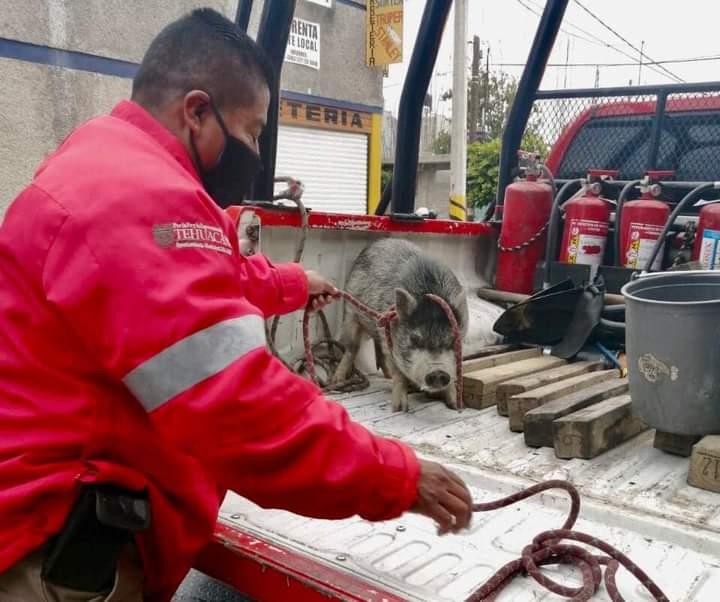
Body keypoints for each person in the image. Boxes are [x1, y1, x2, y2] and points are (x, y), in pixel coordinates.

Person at [0, 8, 473, 602]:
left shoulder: (105, 168)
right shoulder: (138, 197)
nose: (254, 150)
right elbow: (239, 407)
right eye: (251, 132)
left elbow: (191, 289)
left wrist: (292, 283)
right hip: (55, 559)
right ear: (197, 110)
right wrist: (396, 475)